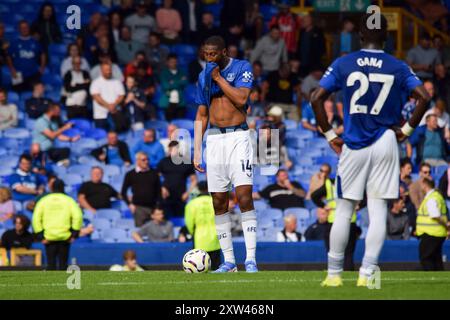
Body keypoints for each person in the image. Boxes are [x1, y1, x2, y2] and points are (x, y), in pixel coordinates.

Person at [311, 13, 430, 287]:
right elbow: (424, 97)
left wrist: (330, 134)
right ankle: (367, 274)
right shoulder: (398, 66)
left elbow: (316, 97)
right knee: (377, 211)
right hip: (387, 139)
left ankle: (333, 275)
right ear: (386, 37)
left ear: (360, 36)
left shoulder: (344, 62)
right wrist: (407, 131)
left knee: (343, 210)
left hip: (353, 143)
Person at [194, 36, 257, 273]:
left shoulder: (242, 67)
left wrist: (219, 78)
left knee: (243, 197)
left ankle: (250, 258)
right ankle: (229, 261)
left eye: (213, 54)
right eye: (205, 54)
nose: (209, 58)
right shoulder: (202, 77)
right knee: (218, 201)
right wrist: (197, 151)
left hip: (238, 137)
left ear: (223, 52)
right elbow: (201, 114)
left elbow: (241, 98)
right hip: (215, 138)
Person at [310, 164, 359, 271]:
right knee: (349, 252)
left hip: (334, 221)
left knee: (332, 251)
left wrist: (324, 206)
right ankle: (348, 275)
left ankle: (333, 274)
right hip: (350, 221)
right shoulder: (354, 182)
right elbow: (365, 196)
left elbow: (314, 196)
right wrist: (359, 205)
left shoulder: (329, 184)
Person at [32, 179, 83, 270]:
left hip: (48, 236)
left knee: (51, 264)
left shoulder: (44, 200)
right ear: (63, 188)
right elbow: (78, 216)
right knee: (63, 264)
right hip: (65, 236)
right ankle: (63, 283)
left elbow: (36, 219)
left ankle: (51, 282)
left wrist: (40, 236)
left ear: (51, 187)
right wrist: (74, 234)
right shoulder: (69, 200)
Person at [184, 181, 221, 269]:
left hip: (199, 238)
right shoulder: (216, 201)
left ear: (198, 189)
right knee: (216, 267)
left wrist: (193, 232)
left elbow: (189, 223)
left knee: (199, 265)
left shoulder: (191, 204)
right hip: (215, 237)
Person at [416, 177, 450, 271]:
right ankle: (440, 280)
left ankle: (431, 279)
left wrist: (446, 225)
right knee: (436, 259)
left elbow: (435, 215)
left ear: (424, 184)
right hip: (437, 233)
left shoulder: (431, 198)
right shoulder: (436, 196)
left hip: (431, 234)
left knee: (426, 258)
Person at [157, 141, 197, 217]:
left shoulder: (186, 162)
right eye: (170, 150)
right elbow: (156, 177)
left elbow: (194, 180)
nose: (171, 152)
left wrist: (188, 193)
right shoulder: (163, 162)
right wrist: (162, 188)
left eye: (173, 150)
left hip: (181, 197)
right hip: (166, 197)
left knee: (181, 219)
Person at [121, 151, 161, 227]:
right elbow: (123, 192)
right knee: (140, 232)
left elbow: (159, 192)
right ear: (137, 161)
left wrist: (158, 208)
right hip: (139, 208)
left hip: (153, 208)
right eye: (143, 160)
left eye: (147, 159)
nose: (146, 162)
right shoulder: (130, 174)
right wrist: (129, 205)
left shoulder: (154, 173)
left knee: (154, 232)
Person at [6, 20, 46, 92]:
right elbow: (8, 56)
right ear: (19, 29)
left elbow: (43, 54)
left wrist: (42, 67)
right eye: (22, 28)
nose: (24, 29)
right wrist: (12, 68)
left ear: (29, 28)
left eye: (26, 27)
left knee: (35, 93)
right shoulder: (14, 42)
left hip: (33, 73)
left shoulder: (35, 42)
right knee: (16, 93)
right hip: (17, 74)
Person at [90, 62, 125, 131]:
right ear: (102, 70)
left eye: (109, 69)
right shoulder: (96, 83)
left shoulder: (117, 82)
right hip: (100, 115)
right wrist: (108, 106)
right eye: (106, 70)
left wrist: (114, 105)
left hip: (115, 113)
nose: (108, 72)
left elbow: (121, 95)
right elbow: (96, 97)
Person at [159, 54, 188, 121]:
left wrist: (172, 82)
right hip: (167, 101)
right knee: (169, 122)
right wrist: (179, 81)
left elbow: (185, 83)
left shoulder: (182, 72)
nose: (173, 64)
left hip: (180, 101)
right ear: (167, 62)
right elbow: (165, 86)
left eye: (175, 62)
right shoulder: (164, 73)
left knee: (180, 122)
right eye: (171, 62)